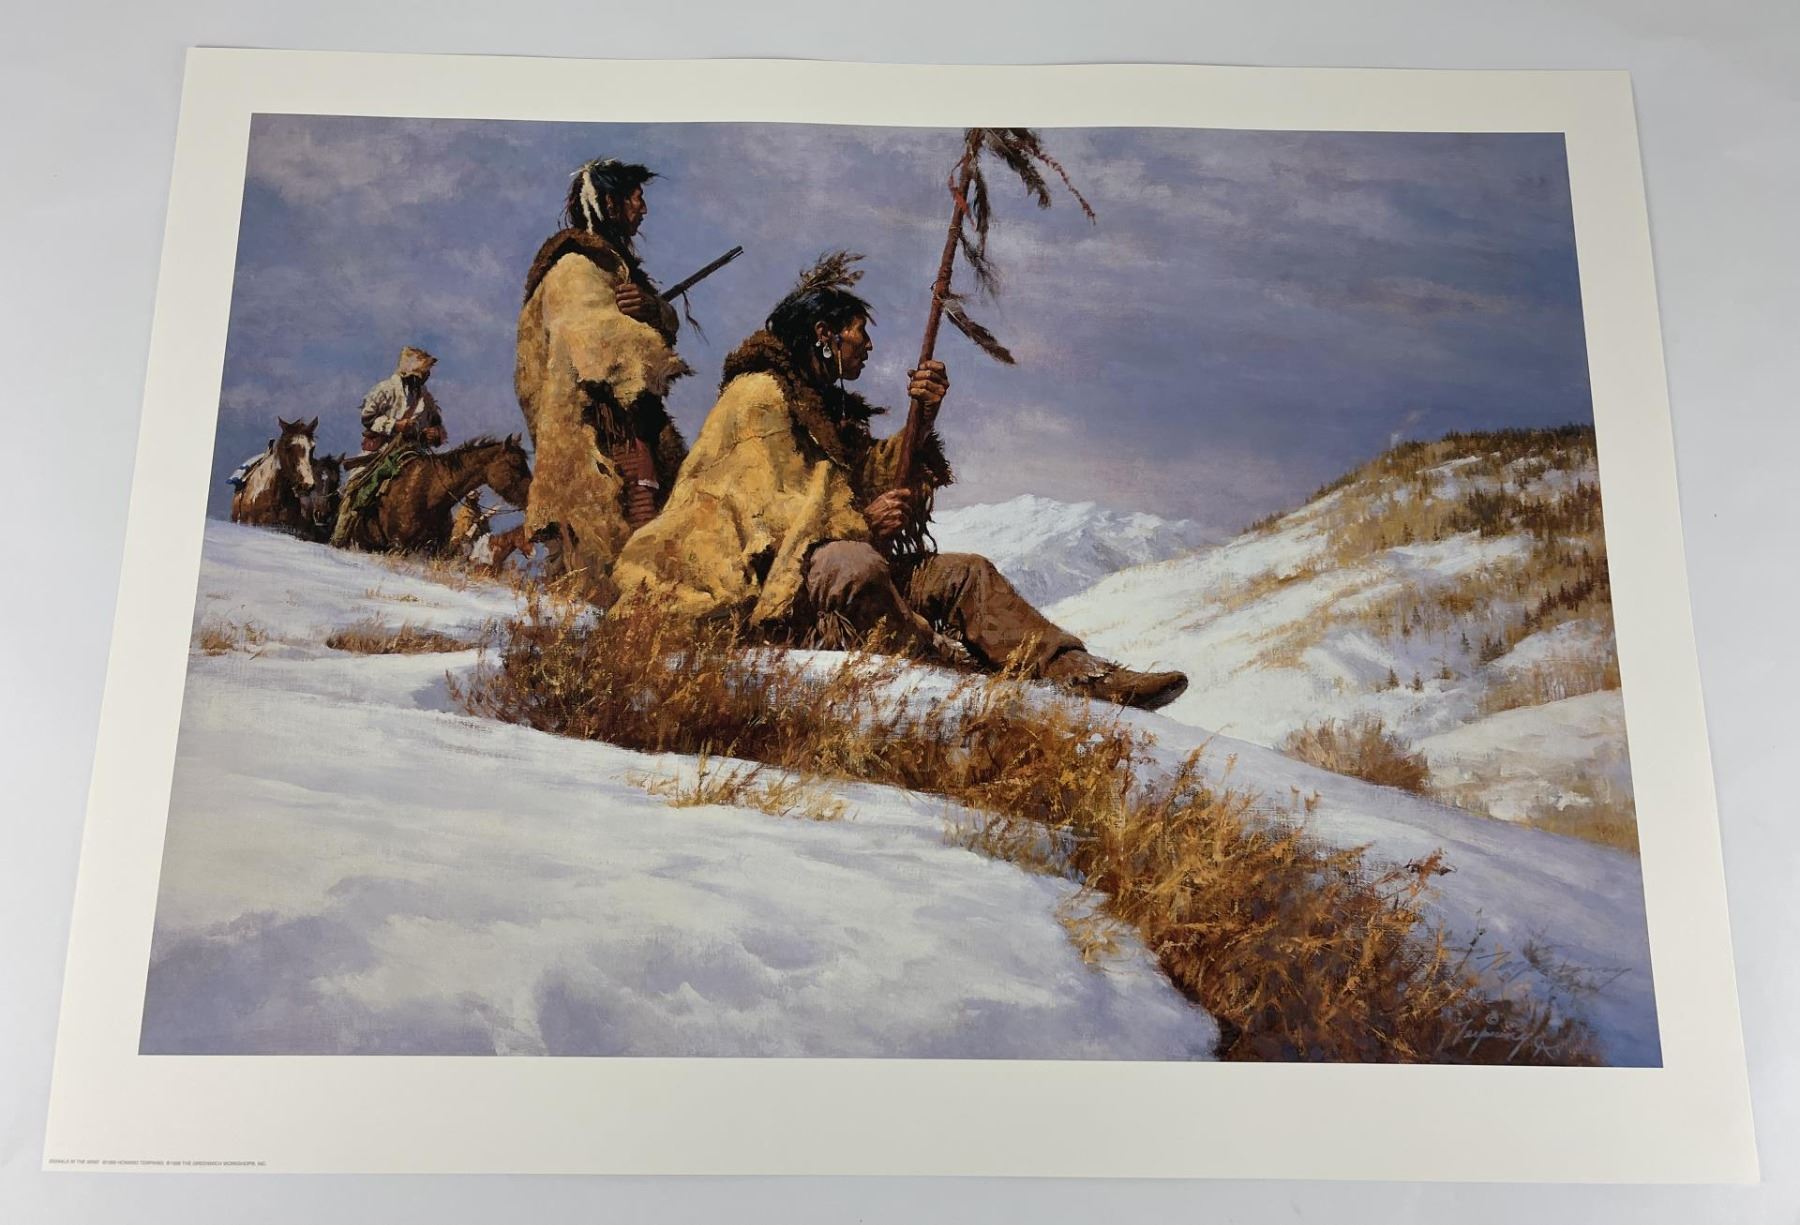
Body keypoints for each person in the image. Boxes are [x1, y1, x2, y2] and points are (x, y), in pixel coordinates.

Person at [611, 254, 1189, 710]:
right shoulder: (757, 397)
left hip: (829, 557)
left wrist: (922, 418)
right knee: (855, 566)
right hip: (773, 586)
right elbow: (763, 514)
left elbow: (861, 479)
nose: (868, 345)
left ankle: (1080, 673)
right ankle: (937, 665)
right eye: (858, 333)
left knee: (966, 573)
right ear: (824, 334)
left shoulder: (828, 411)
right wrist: (862, 522)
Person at [514, 158, 690, 601]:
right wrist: (644, 335)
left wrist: (651, 308)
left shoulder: (615, 267)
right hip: (596, 428)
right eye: (636, 198)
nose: (643, 209)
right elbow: (595, 346)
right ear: (610, 203)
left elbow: (659, 319)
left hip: (631, 421)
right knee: (613, 532)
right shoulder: (575, 268)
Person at [331, 346, 447, 548]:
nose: (426, 376)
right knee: (357, 487)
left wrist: (435, 433)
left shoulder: (425, 397)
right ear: (410, 372)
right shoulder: (385, 389)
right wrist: (395, 425)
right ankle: (340, 535)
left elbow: (436, 423)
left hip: (413, 451)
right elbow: (367, 418)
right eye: (423, 372)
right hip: (382, 449)